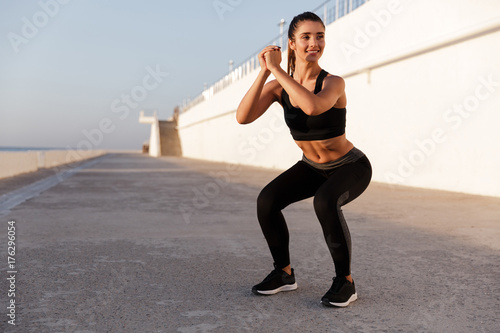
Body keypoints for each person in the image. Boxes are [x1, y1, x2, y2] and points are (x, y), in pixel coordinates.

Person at [236, 11, 372, 307]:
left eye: (320, 36)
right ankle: (283, 274)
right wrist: (264, 72)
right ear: (292, 44)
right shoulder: (278, 86)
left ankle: (345, 282)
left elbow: (312, 107)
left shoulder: (333, 83)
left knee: (325, 201)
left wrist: (279, 72)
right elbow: (242, 117)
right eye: (306, 37)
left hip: (350, 166)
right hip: (311, 166)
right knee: (267, 201)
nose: (314, 42)